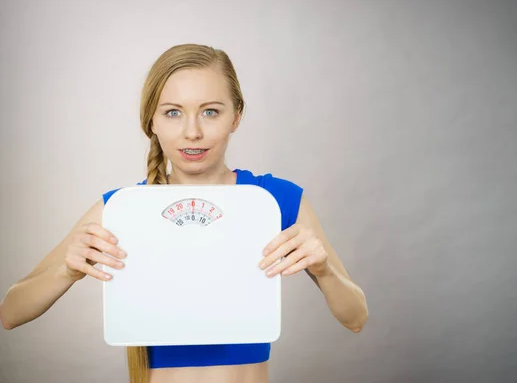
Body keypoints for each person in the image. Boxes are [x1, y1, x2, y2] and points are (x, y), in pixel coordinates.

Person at [0, 44, 369, 383]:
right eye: (173, 113)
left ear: (236, 117)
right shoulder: (124, 209)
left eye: (210, 111)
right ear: (152, 122)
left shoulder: (275, 200)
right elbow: (10, 313)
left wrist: (323, 269)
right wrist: (68, 269)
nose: (192, 132)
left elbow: (356, 318)